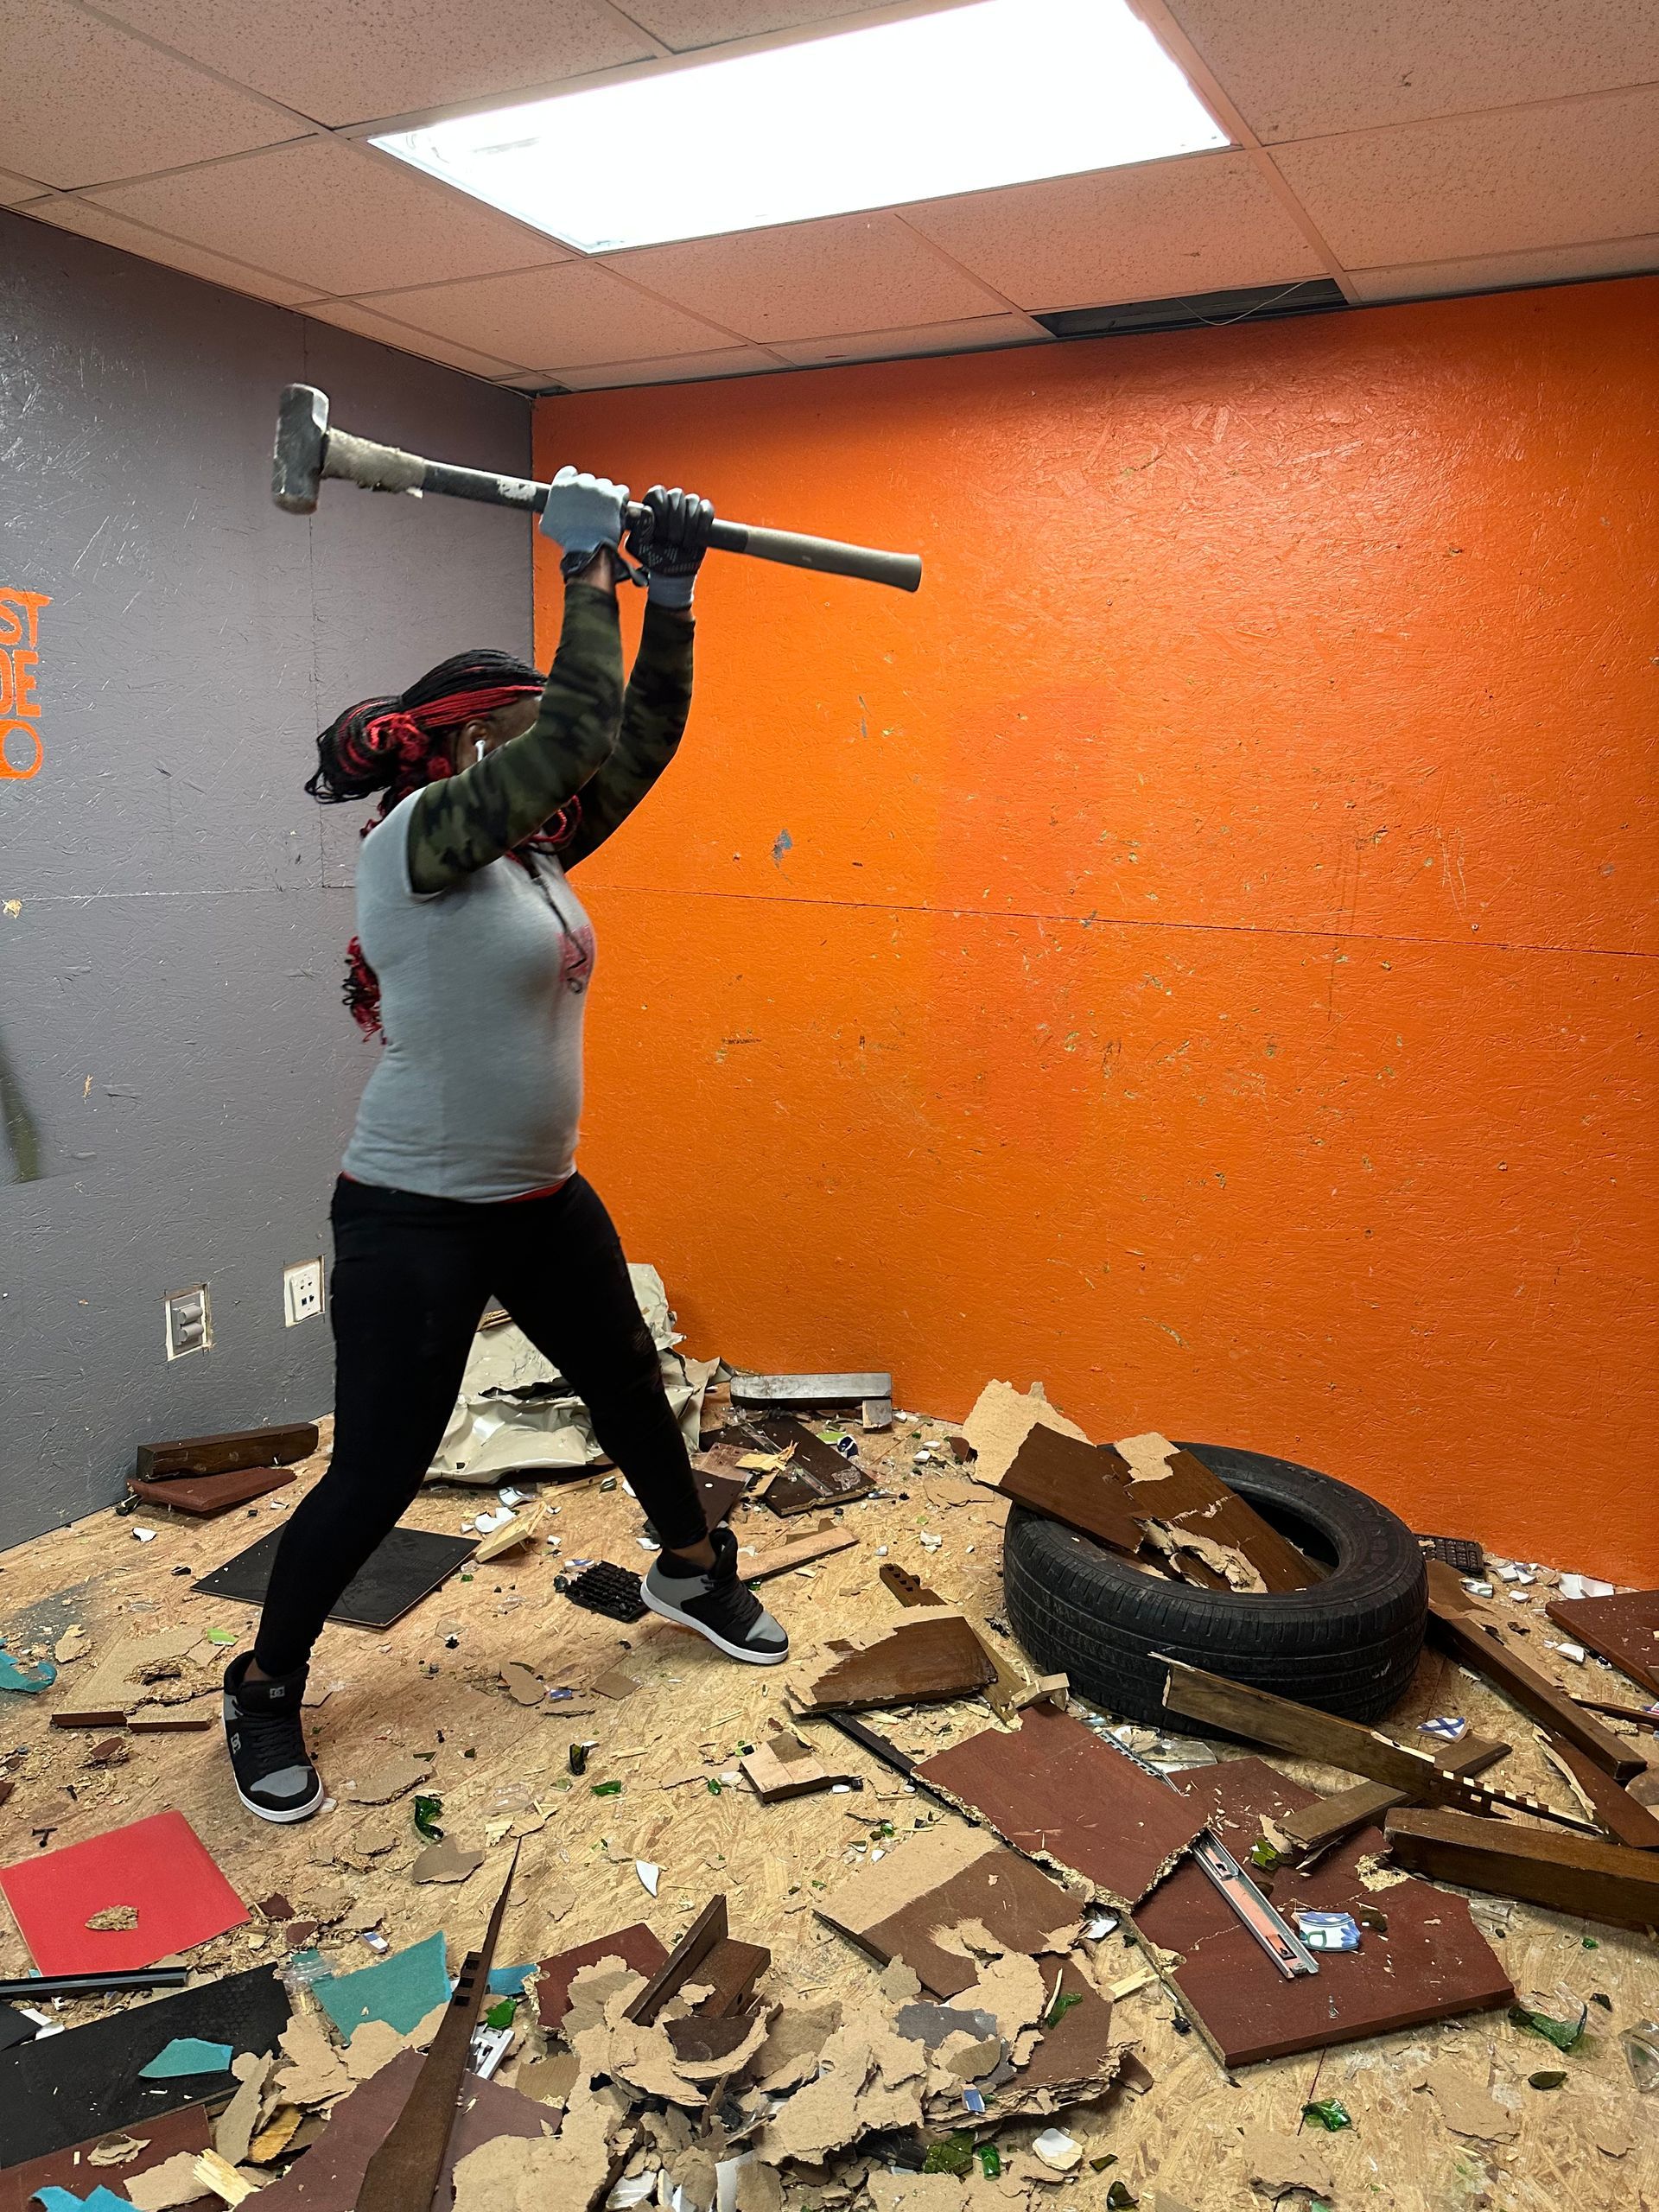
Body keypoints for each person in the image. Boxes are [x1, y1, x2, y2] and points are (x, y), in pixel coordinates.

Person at [221, 469, 787, 1824]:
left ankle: (688, 1570)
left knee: (630, 1389)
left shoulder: (532, 852)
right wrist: (584, 564)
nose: (563, 760)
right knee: (380, 1470)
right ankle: (263, 1684)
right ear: (477, 743)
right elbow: (584, 722)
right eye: (532, 733)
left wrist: (671, 591)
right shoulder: (421, 843)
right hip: (412, 1212)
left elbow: (637, 734)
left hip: (539, 1199)